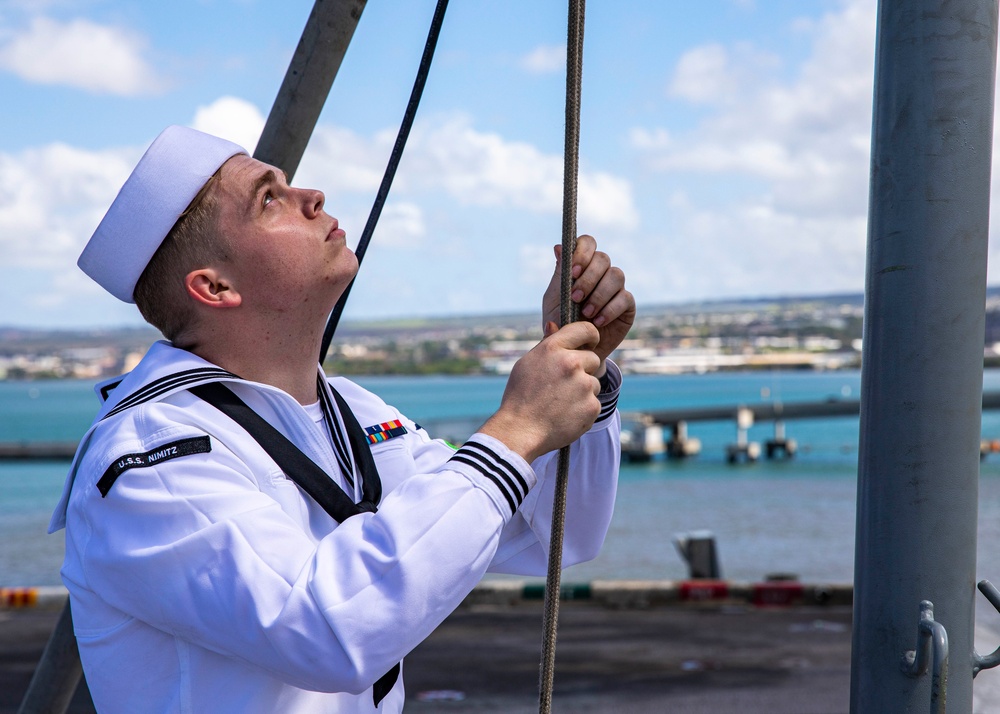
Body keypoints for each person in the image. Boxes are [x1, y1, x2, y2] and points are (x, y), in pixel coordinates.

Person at [49, 125, 635, 713]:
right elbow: (325, 632)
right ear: (214, 286)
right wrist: (515, 432)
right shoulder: (152, 454)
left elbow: (551, 533)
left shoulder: (352, 409)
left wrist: (587, 367)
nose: (314, 197)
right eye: (268, 199)